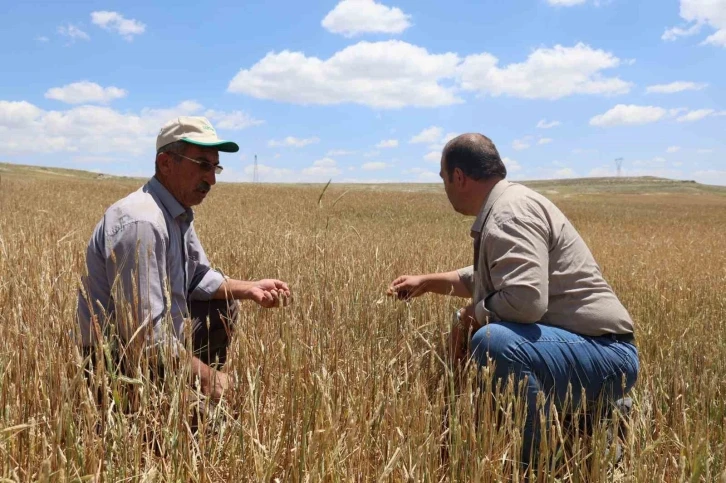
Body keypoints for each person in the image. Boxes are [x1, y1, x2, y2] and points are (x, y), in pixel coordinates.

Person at [387, 133, 638, 464]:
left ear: (458, 177)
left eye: (443, 177)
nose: (444, 187)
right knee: (486, 332)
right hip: (584, 348)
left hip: (606, 354)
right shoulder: (508, 205)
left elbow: (524, 300)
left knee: (495, 342)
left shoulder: (509, 214)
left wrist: (471, 315)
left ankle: (544, 464)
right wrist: (429, 282)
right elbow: (498, 279)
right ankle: (585, 420)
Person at [77, 116, 291, 401]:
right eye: (203, 165)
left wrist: (250, 289)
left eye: (215, 167)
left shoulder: (175, 214)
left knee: (223, 305)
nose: (212, 179)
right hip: (117, 364)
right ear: (166, 163)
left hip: (155, 354)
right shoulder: (142, 223)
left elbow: (199, 278)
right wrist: (206, 377)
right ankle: (178, 400)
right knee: (219, 424)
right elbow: (144, 337)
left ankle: (195, 391)